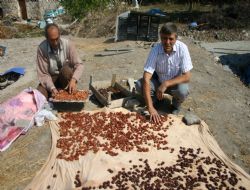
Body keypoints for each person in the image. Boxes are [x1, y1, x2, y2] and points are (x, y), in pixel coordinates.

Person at [136, 22, 193, 123]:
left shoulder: (182, 48)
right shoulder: (155, 50)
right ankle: (155, 102)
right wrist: (150, 107)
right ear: (160, 37)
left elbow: (187, 77)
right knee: (140, 84)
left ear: (176, 38)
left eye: (171, 39)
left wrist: (166, 83)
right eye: (164, 38)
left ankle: (175, 105)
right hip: (158, 81)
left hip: (175, 83)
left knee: (183, 90)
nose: (167, 42)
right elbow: (146, 77)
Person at [36, 23, 83, 99]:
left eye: (56, 39)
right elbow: (43, 74)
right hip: (51, 78)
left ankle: (67, 89)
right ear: (47, 38)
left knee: (66, 70)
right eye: (52, 40)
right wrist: (52, 88)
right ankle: (56, 91)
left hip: (65, 77)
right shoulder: (42, 49)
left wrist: (74, 80)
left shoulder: (68, 44)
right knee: (39, 94)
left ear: (59, 35)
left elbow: (79, 65)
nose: (55, 43)